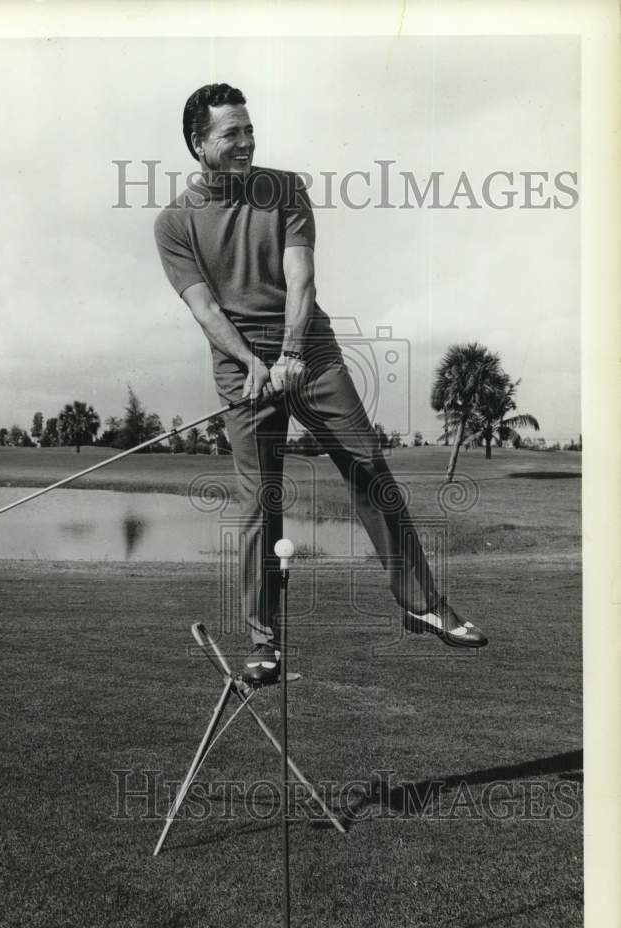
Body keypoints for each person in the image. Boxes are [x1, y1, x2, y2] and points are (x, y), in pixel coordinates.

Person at [153, 82, 487, 685]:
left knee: (369, 469)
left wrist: (287, 354)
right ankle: (263, 641)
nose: (246, 142)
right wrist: (253, 366)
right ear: (198, 144)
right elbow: (205, 310)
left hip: (308, 349)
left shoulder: (284, 189)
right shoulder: (174, 222)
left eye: (249, 129)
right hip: (239, 366)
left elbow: (300, 280)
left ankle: (421, 602)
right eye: (231, 133)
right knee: (260, 504)